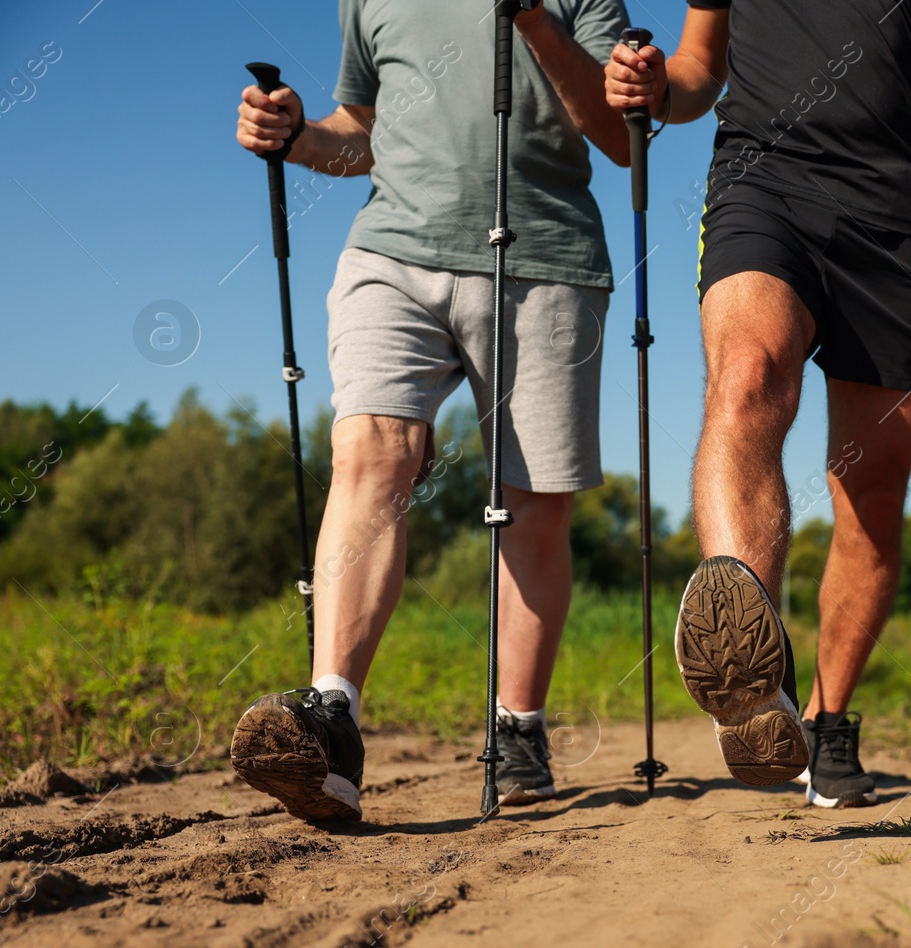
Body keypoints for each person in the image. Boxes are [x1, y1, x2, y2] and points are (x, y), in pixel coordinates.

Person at [229, 0, 631, 822]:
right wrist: (302, 136)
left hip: (548, 256)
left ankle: (518, 725)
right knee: (371, 453)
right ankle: (333, 717)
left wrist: (532, 18)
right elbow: (366, 128)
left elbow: (622, 137)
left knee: (535, 502)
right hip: (394, 252)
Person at [605, 0, 911, 808]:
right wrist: (653, 88)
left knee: (873, 489)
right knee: (747, 376)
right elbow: (697, 70)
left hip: (894, 211)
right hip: (764, 181)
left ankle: (825, 719)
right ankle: (748, 670)